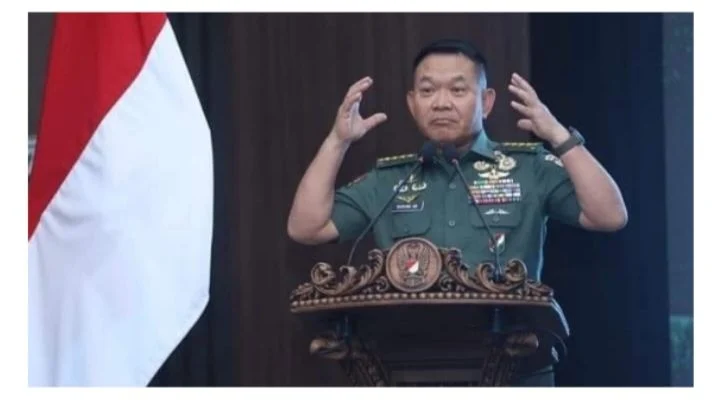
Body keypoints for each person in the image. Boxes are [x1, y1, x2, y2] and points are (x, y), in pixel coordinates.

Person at [286, 38, 628, 386]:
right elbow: (307, 228)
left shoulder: (529, 169)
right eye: (428, 91)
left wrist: (558, 136)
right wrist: (337, 142)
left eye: (458, 90)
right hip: (408, 373)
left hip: (514, 374)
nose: (441, 102)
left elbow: (609, 215)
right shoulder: (389, 180)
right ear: (412, 103)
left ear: (486, 101)